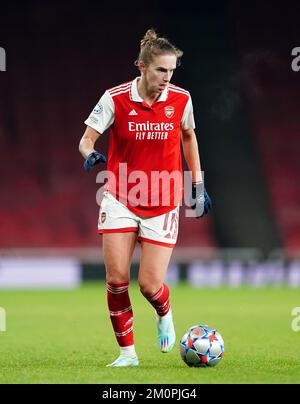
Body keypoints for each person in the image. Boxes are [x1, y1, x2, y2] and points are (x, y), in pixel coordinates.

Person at [79, 29, 212, 367]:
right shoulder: (115, 98)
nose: (167, 78)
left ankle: (164, 312)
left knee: (150, 285)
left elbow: (188, 137)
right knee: (116, 279)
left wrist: (197, 184)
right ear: (142, 66)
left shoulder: (181, 99)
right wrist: (90, 153)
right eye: (160, 70)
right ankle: (128, 354)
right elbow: (86, 139)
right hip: (120, 197)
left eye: (171, 71)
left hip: (164, 200)